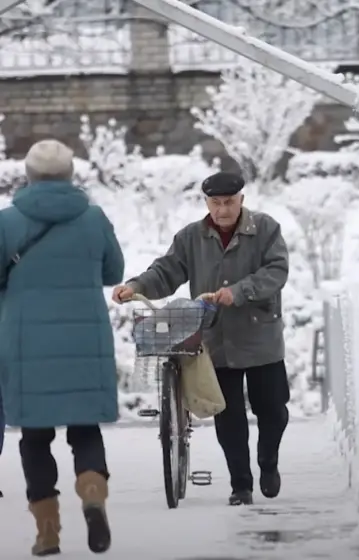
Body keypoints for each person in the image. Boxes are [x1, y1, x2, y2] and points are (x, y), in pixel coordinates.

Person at [112, 171, 291, 506]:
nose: (222, 210)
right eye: (215, 203)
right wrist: (136, 286)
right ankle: (241, 485)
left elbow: (276, 271)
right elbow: (167, 271)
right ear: (207, 202)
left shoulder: (266, 229)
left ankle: (268, 461)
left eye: (229, 202)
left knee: (274, 410)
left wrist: (238, 292)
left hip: (259, 334)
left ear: (242, 200)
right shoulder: (192, 237)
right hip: (215, 339)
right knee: (228, 415)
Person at [0, 139, 124, 555]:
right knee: (84, 428)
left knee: (34, 438)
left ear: (29, 176)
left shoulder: (7, 223)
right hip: (84, 340)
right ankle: (91, 490)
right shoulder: (92, 219)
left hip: (26, 343)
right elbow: (114, 271)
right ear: (71, 174)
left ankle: (48, 531)